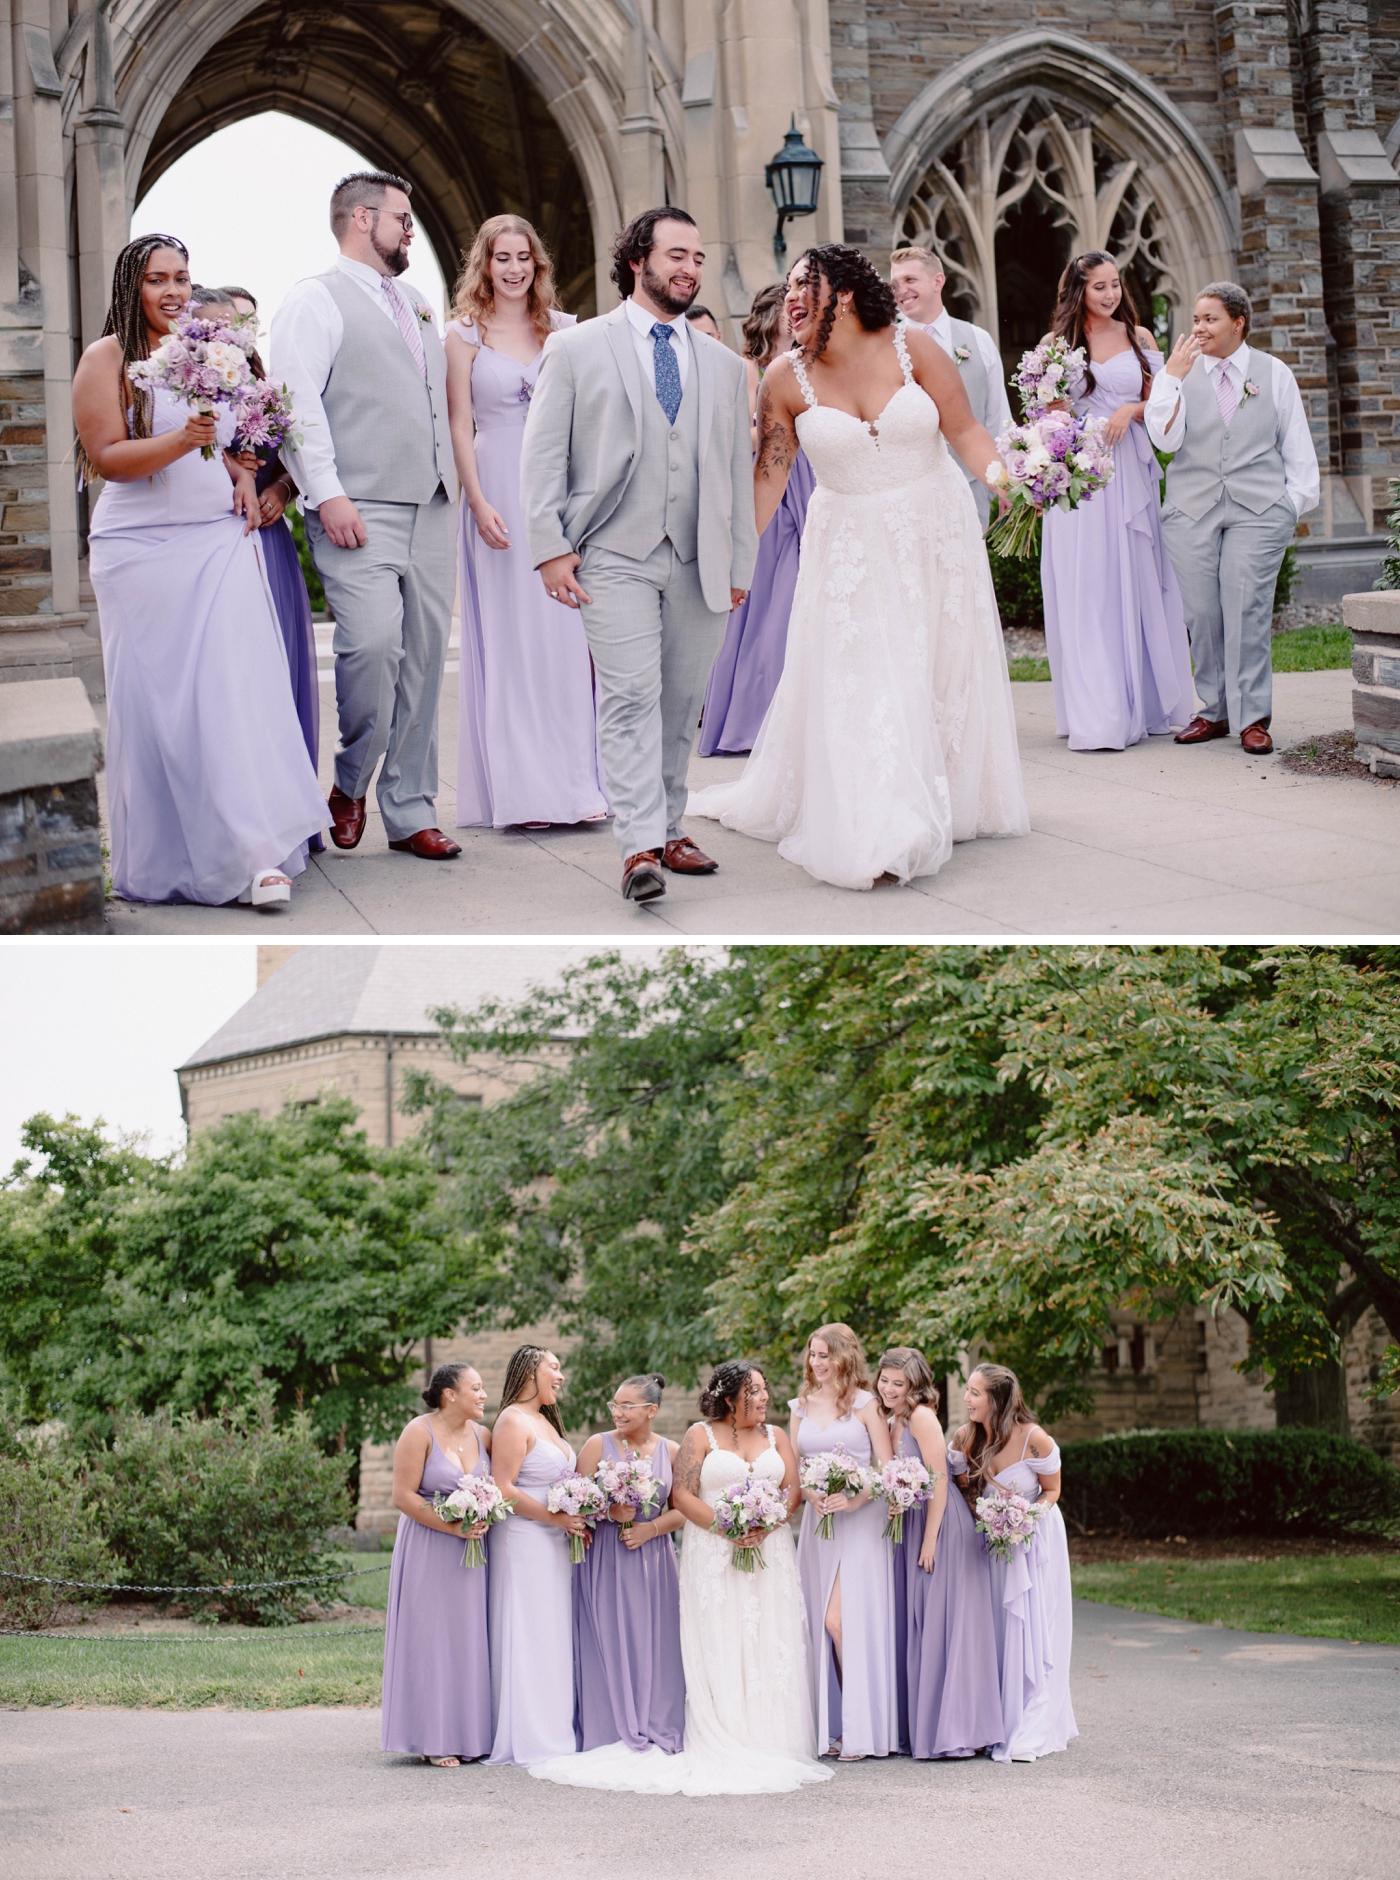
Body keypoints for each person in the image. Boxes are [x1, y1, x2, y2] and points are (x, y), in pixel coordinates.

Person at [688, 244, 1030, 891]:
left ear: (843, 293)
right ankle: (883, 825)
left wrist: (1007, 478)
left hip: (935, 530)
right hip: (848, 546)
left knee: (940, 666)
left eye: (802, 286)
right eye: (787, 288)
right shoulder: (784, 381)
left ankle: (949, 793)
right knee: (871, 675)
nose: (789, 298)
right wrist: (735, 565)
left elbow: (965, 431)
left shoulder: (914, 349)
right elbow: (767, 484)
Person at [74, 235, 325, 910]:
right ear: (133, 286)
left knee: (234, 694)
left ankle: (256, 855)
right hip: (140, 548)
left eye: (181, 278)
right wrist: (182, 441)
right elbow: (106, 457)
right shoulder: (109, 357)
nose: (173, 292)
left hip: (217, 539)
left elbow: (240, 439)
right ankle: (168, 859)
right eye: (157, 280)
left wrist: (243, 471)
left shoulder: (210, 349)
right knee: (159, 707)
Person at [520, 206, 758, 904]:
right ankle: (638, 849)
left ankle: (669, 823)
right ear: (638, 261)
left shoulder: (721, 363)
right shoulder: (576, 348)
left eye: (697, 258)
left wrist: (739, 564)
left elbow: (732, 471)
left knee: (682, 703)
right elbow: (542, 457)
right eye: (676, 255)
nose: (689, 268)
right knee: (629, 695)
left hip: (699, 556)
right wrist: (550, 549)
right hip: (613, 551)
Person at [271, 170, 461, 861]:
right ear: (360, 219)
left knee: (425, 666)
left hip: (434, 504)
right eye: (402, 220)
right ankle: (351, 781)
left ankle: (410, 810)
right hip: (359, 506)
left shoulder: (416, 302)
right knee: (373, 648)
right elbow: (297, 405)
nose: (411, 231)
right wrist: (328, 493)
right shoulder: (312, 301)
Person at [534, 1360, 828, 1795]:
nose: (765, 1398)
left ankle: (773, 1736)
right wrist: (728, 1528)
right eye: (757, 1391)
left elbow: (793, 1490)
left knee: (771, 1637)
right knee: (722, 1637)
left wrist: (767, 1524)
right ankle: (724, 1728)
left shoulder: (777, 1436)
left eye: (765, 1390)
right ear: (731, 1398)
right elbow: (682, 1494)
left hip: (770, 1550)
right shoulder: (697, 1435)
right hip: (715, 1550)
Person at [446, 215, 608, 832]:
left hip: (555, 490)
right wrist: (477, 499)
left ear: (537, 266)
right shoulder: (462, 335)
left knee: (565, 639)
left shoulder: (565, 331)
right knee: (513, 641)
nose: (513, 269)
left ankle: (576, 785)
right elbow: (461, 424)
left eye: (524, 258)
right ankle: (522, 794)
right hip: (496, 489)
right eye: (501, 258)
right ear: (484, 266)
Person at [1145, 280, 1321, 756]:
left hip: (1259, 509)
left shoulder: (1274, 372)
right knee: (1201, 613)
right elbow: (1164, 441)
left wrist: (1291, 505)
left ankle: (1253, 717)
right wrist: (1170, 380)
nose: (1199, 328)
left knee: (1245, 608)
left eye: (1210, 319)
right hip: (1191, 506)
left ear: (1238, 322)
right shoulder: (1179, 373)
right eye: (1196, 319)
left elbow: (1296, 442)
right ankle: (1216, 710)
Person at [1039, 252, 1195, 752]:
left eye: (1115, 285)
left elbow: (1166, 398)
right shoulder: (1056, 346)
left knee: (1134, 577)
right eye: (1099, 287)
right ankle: (1099, 710)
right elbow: (1051, 414)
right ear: (1077, 291)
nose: (1110, 295)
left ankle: (1143, 702)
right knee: (1090, 583)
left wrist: (1132, 407)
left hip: (1130, 469)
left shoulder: (1140, 338)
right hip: (1083, 476)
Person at [197, 285, 322, 843]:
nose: (240, 334)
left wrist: (284, 489)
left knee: (282, 663)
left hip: (268, 538)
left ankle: (293, 818)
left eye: (248, 324)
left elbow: (301, 452)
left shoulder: (269, 392)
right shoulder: (194, 393)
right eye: (228, 325)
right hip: (213, 535)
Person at [529, 1373, 685, 1780]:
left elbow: (686, 1508)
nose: (617, 1412)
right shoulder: (598, 1445)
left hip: (653, 1559)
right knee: (608, 1637)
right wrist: (607, 1512)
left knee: (656, 1639)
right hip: (605, 1558)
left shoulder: (672, 1450)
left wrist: (651, 1528)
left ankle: (657, 1722)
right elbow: (572, 1497)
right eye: (614, 1405)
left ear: (651, 1410)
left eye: (626, 1406)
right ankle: (607, 1727)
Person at [698, 283, 817, 756]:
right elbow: (743, 432)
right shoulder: (750, 369)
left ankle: (800, 713)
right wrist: (784, 426)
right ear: (771, 319)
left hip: (813, 483)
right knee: (772, 605)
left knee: (804, 602)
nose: (797, 319)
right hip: (775, 488)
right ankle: (757, 715)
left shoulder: (814, 362)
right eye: (791, 313)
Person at [876, 1347, 1001, 1760]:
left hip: (942, 1528)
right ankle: (922, 1728)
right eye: (885, 1380)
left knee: (945, 1624)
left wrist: (930, 1540)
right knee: (920, 1625)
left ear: (914, 1385)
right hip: (912, 1524)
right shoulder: (893, 1420)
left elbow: (939, 1481)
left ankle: (957, 1730)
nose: (890, 1388)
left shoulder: (921, 1417)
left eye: (899, 1383)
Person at [949, 1363, 1077, 1763]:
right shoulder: (967, 1437)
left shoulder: (1033, 1439)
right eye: (967, 1391)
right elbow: (962, 1491)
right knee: (1000, 1626)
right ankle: (996, 1719)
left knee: (1033, 1624)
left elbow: (1052, 1490)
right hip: (995, 1542)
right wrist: (989, 1518)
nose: (967, 1399)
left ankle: (1032, 1719)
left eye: (974, 1393)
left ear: (997, 1400)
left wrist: (1023, 1520)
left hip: (1035, 1541)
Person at [789, 1324, 897, 1761]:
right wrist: (812, 1493)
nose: (816, 1363)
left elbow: (886, 1468)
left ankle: (860, 1725)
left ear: (845, 1357)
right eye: (812, 1354)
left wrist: (854, 1499)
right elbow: (794, 1465)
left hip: (860, 1521)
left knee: (841, 1622)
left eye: (824, 1355)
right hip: (820, 1525)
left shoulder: (866, 1404)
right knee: (823, 1624)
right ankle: (836, 1726)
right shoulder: (799, 1405)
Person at [381, 1362, 494, 1765]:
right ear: (450, 1394)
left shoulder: (484, 1435)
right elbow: (404, 1497)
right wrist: (453, 1527)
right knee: (432, 1639)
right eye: (476, 1388)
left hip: (473, 1553)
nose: (483, 1395)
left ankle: (470, 1733)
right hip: (430, 1547)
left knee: (467, 1639)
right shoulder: (418, 1431)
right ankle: (434, 1738)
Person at [486, 1346, 585, 1765]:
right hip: (524, 1540)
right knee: (529, 1629)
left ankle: (556, 1725)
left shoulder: (545, 1421)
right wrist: (554, 1517)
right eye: (554, 1367)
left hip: (554, 1540)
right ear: (531, 1371)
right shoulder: (512, 1419)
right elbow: (503, 1487)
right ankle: (529, 1733)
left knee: (553, 1631)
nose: (560, 1376)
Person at [889, 245, 1011, 529]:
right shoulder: (884, 345)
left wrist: (1004, 482)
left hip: (972, 486)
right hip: (905, 491)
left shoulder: (978, 340)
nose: (901, 290)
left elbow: (997, 417)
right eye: (895, 283)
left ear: (937, 281)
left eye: (910, 280)